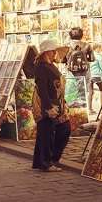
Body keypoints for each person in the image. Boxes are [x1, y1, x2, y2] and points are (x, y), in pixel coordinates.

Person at [32, 39, 71, 172]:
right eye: (53, 50)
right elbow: (42, 89)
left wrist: (62, 103)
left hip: (57, 103)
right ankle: (46, 162)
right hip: (47, 105)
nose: (55, 53)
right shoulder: (41, 67)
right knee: (47, 133)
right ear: (47, 52)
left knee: (62, 129)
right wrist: (48, 107)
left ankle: (43, 160)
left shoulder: (50, 65)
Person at [65, 27, 95, 108]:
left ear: (70, 35)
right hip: (84, 71)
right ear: (82, 35)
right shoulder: (87, 45)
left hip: (71, 72)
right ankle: (82, 111)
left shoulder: (67, 46)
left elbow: (63, 59)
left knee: (71, 91)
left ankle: (71, 110)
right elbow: (92, 59)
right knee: (83, 92)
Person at [88, 46, 102, 115]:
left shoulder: (89, 56)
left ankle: (90, 110)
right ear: (98, 49)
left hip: (89, 76)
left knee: (90, 92)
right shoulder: (98, 56)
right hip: (96, 76)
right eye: (101, 48)